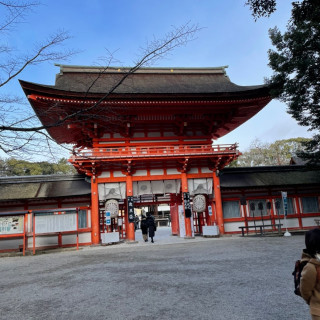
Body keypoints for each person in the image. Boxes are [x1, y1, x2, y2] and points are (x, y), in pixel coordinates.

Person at [300, 228, 320, 319]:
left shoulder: (310, 267)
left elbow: (305, 291)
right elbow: (305, 290)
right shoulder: (311, 267)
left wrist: (312, 300)